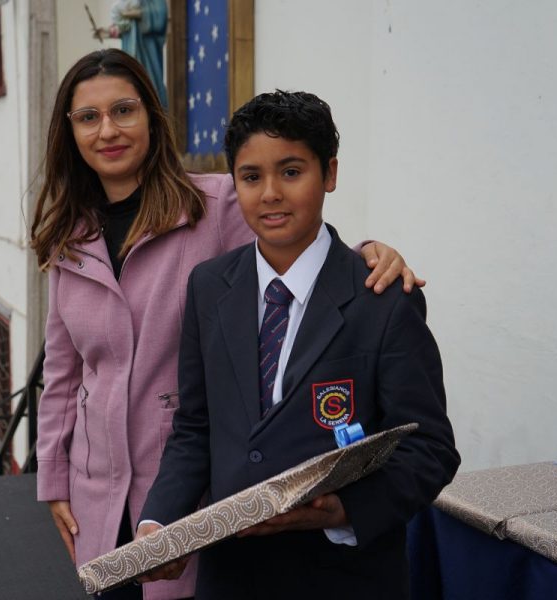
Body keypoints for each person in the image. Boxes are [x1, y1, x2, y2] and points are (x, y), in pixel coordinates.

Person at [30, 49, 422, 600]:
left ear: (152, 116)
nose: (108, 130)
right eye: (88, 117)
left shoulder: (213, 203)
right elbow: (63, 372)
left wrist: (368, 257)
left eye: (124, 110)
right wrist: (53, 478)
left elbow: (294, 252)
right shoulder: (69, 239)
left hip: (198, 490)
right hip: (98, 485)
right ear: (68, 131)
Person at [136, 90, 460, 599]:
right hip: (233, 577)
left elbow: (430, 448)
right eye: (251, 177)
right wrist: (159, 522)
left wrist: (345, 509)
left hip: (344, 578)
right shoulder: (208, 287)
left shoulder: (383, 299)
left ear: (329, 174)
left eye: (291, 172)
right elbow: (195, 427)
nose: (270, 193)